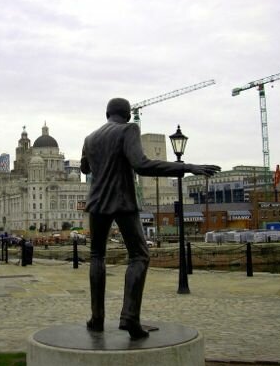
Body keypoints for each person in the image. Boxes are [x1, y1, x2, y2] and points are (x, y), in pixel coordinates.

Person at [80, 97, 220, 340]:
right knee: (139, 255)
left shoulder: (90, 138)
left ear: (106, 113)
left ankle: (97, 318)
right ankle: (129, 317)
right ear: (127, 114)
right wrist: (186, 167)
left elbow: (84, 169)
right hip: (122, 201)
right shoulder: (129, 129)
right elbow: (141, 165)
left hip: (97, 204)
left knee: (96, 256)